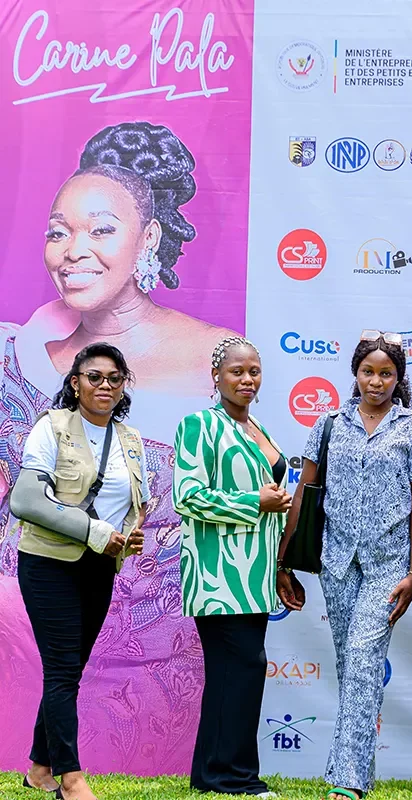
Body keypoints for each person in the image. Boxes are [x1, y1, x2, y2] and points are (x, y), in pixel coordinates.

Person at [0, 120, 238, 772]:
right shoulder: (13, 357)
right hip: (19, 669)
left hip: (152, 687)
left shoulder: (216, 363)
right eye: (58, 231)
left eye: (101, 229)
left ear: (149, 238)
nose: (72, 250)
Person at [280, 331, 412, 800]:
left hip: (389, 564)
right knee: (354, 666)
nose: (376, 381)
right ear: (355, 374)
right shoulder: (329, 423)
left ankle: (345, 782)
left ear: (399, 378)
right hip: (336, 560)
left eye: (386, 373)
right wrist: (284, 562)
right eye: (368, 372)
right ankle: (359, 774)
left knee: (366, 659)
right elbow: (305, 492)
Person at [12, 343, 147, 800]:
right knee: (63, 668)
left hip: (99, 567)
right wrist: (94, 531)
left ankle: (38, 768)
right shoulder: (51, 427)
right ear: (75, 382)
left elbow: (133, 507)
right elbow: (26, 502)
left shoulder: (130, 439)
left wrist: (130, 535)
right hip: (48, 562)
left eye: (114, 377)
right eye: (94, 376)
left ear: (124, 384)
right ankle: (71, 780)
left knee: (69, 669)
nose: (104, 385)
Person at [172, 336, 291, 797]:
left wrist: (281, 566)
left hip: (256, 574)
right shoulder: (199, 425)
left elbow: (275, 501)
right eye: (237, 371)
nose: (247, 379)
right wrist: (253, 501)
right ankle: (234, 777)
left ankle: (212, 774)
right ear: (216, 377)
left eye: (254, 371)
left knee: (234, 671)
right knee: (240, 668)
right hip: (218, 574)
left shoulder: (258, 427)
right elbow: (188, 496)